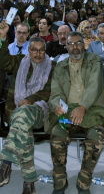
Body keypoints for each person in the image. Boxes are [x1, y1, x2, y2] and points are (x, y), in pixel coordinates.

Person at [46, 31, 104, 194]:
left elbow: (94, 86)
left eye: (78, 43)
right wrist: (56, 106)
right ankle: (59, 182)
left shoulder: (94, 60)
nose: (75, 47)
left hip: (92, 108)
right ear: (66, 46)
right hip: (67, 111)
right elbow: (55, 92)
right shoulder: (60, 66)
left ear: (85, 44)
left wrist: (82, 107)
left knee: (95, 139)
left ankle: (84, 182)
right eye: (71, 44)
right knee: (57, 135)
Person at [0, 20, 55, 194]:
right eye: (34, 50)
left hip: (41, 111)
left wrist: (30, 100)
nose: (38, 54)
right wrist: (2, 37)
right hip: (16, 112)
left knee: (23, 115)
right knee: (24, 130)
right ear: (28, 51)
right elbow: (3, 62)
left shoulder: (52, 66)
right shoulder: (19, 63)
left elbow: (50, 92)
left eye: (41, 50)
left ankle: (4, 164)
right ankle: (29, 184)